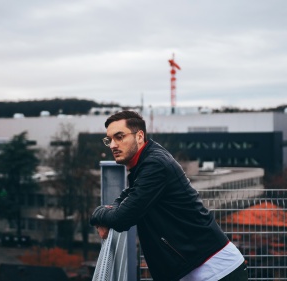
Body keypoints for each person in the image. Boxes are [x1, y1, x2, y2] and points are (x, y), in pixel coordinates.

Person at [90, 110, 247, 281]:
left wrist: (98, 214)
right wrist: (106, 213)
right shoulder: (145, 162)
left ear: (139, 136)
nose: (112, 145)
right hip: (198, 268)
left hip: (216, 270)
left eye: (119, 137)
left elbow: (123, 218)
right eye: (109, 139)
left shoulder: (154, 165)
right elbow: (128, 195)